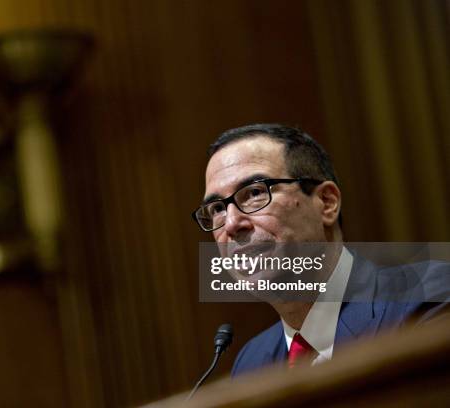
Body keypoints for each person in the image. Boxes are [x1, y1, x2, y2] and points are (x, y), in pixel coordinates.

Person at [192, 123, 449, 375]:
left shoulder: (427, 300)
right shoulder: (252, 362)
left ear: (326, 203)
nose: (232, 223)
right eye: (217, 209)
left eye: (254, 193)